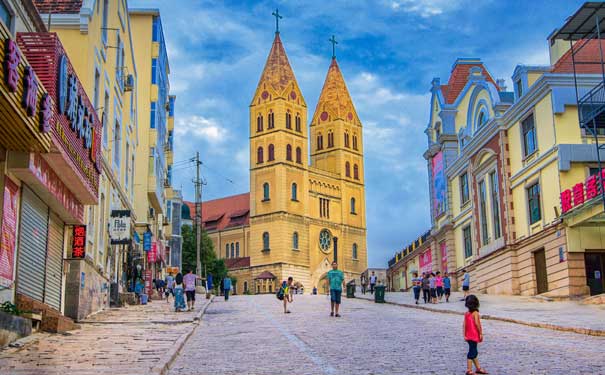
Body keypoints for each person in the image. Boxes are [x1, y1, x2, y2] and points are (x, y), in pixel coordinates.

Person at [463, 295, 488, 375]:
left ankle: (478, 368)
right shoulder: (475, 313)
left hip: (468, 335)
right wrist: (480, 333)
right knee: (472, 352)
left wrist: (464, 334)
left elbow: (464, 325)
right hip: (474, 335)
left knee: (474, 351)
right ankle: (469, 370)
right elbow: (477, 324)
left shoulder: (467, 313)